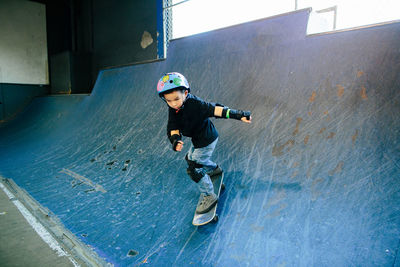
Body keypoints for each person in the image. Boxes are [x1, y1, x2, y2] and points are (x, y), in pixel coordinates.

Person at [157, 72, 252, 214]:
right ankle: (214, 170)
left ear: (186, 93)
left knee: (194, 168)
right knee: (189, 159)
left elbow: (215, 110)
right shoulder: (174, 109)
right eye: (169, 101)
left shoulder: (195, 104)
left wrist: (238, 114)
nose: (174, 104)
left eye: (176, 99)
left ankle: (209, 196)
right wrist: (175, 140)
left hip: (207, 140)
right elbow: (172, 127)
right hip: (198, 140)